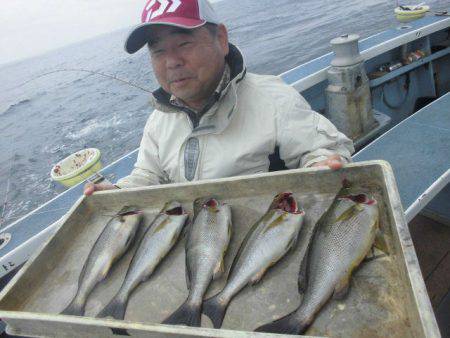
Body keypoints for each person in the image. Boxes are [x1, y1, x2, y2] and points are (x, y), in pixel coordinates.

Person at [84, 0, 354, 196]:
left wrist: (323, 164)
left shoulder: (273, 98)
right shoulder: (159, 119)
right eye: (158, 51)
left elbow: (321, 151)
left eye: (184, 44)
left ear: (221, 39)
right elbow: (149, 175)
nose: (171, 62)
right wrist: (119, 192)